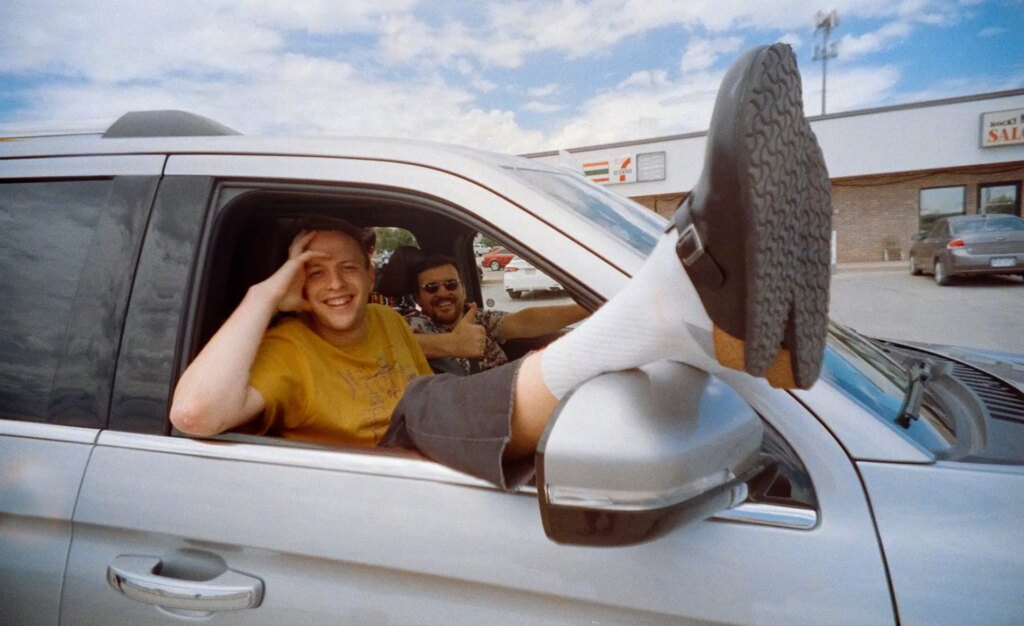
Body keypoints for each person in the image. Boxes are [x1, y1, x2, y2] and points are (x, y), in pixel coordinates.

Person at [170, 43, 832, 489]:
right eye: (314, 272)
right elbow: (195, 413)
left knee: (477, 383)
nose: (334, 282)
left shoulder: (391, 327)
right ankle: (662, 310)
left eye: (346, 266)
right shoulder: (284, 350)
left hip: (435, 468)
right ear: (296, 287)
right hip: (381, 485)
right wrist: (263, 296)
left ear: (371, 273)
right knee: (430, 402)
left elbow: (458, 394)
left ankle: (700, 332)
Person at [406, 253, 590, 374]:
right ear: (418, 298)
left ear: (463, 289)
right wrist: (453, 343)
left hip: (509, 395)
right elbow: (393, 343)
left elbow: (523, 322)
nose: (443, 293)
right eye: (431, 288)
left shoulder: (476, 316)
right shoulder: (412, 325)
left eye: (451, 284)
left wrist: (588, 308)